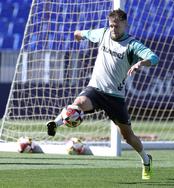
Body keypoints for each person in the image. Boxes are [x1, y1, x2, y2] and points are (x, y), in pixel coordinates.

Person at [46, 9, 159, 180]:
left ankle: (145, 159)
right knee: (78, 102)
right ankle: (55, 123)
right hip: (96, 89)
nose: (114, 29)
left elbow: (154, 57)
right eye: (112, 25)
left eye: (117, 26)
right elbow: (86, 33)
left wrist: (141, 63)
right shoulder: (104, 33)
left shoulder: (132, 44)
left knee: (127, 137)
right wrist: (78, 34)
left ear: (125, 25)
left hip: (115, 97)